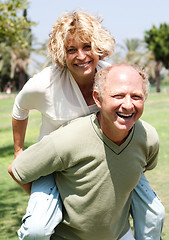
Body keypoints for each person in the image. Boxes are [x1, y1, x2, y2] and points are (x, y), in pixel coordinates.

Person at [8, 10, 165, 240]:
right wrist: (19, 151)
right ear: (62, 52)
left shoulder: (109, 75)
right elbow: (19, 108)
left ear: (98, 47)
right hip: (54, 161)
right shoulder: (44, 83)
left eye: (87, 47)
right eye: (72, 49)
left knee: (155, 215)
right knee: (37, 229)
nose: (81, 56)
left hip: (109, 152)